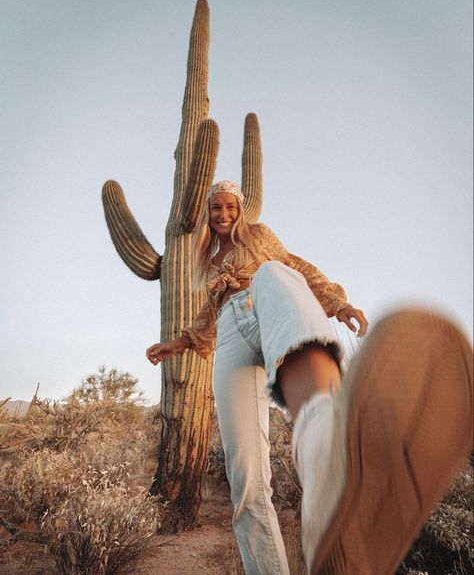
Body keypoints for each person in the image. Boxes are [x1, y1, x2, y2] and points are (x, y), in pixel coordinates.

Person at [146, 180, 473, 575]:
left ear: (241, 208)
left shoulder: (261, 236)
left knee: (274, 274)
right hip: (230, 333)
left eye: (230, 206)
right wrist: (176, 344)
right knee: (244, 479)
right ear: (208, 213)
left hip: (265, 305)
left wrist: (338, 304)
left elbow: (297, 268)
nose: (223, 215)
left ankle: (327, 457)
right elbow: (205, 319)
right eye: (216, 208)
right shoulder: (209, 258)